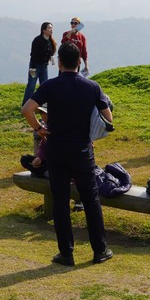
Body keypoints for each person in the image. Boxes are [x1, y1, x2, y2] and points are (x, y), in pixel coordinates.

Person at [22, 42, 114, 267]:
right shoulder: (92, 87)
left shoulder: (51, 86)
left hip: (56, 150)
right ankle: (100, 250)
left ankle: (66, 254)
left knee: (61, 201)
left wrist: (39, 129)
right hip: (82, 150)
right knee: (90, 199)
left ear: (60, 63)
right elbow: (108, 119)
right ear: (79, 62)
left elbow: (27, 109)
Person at [22, 22, 57, 106]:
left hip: (44, 67)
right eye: (49, 28)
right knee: (31, 85)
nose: (51, 30)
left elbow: (51, 53)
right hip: (35, 66)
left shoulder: (50, 41)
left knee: (44, 86)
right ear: (44, 30)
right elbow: (33, 55)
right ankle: (26, 104)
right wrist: (33, 69)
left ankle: (42, 104)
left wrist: (51, 60)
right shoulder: (37, 40)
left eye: (52, 28)